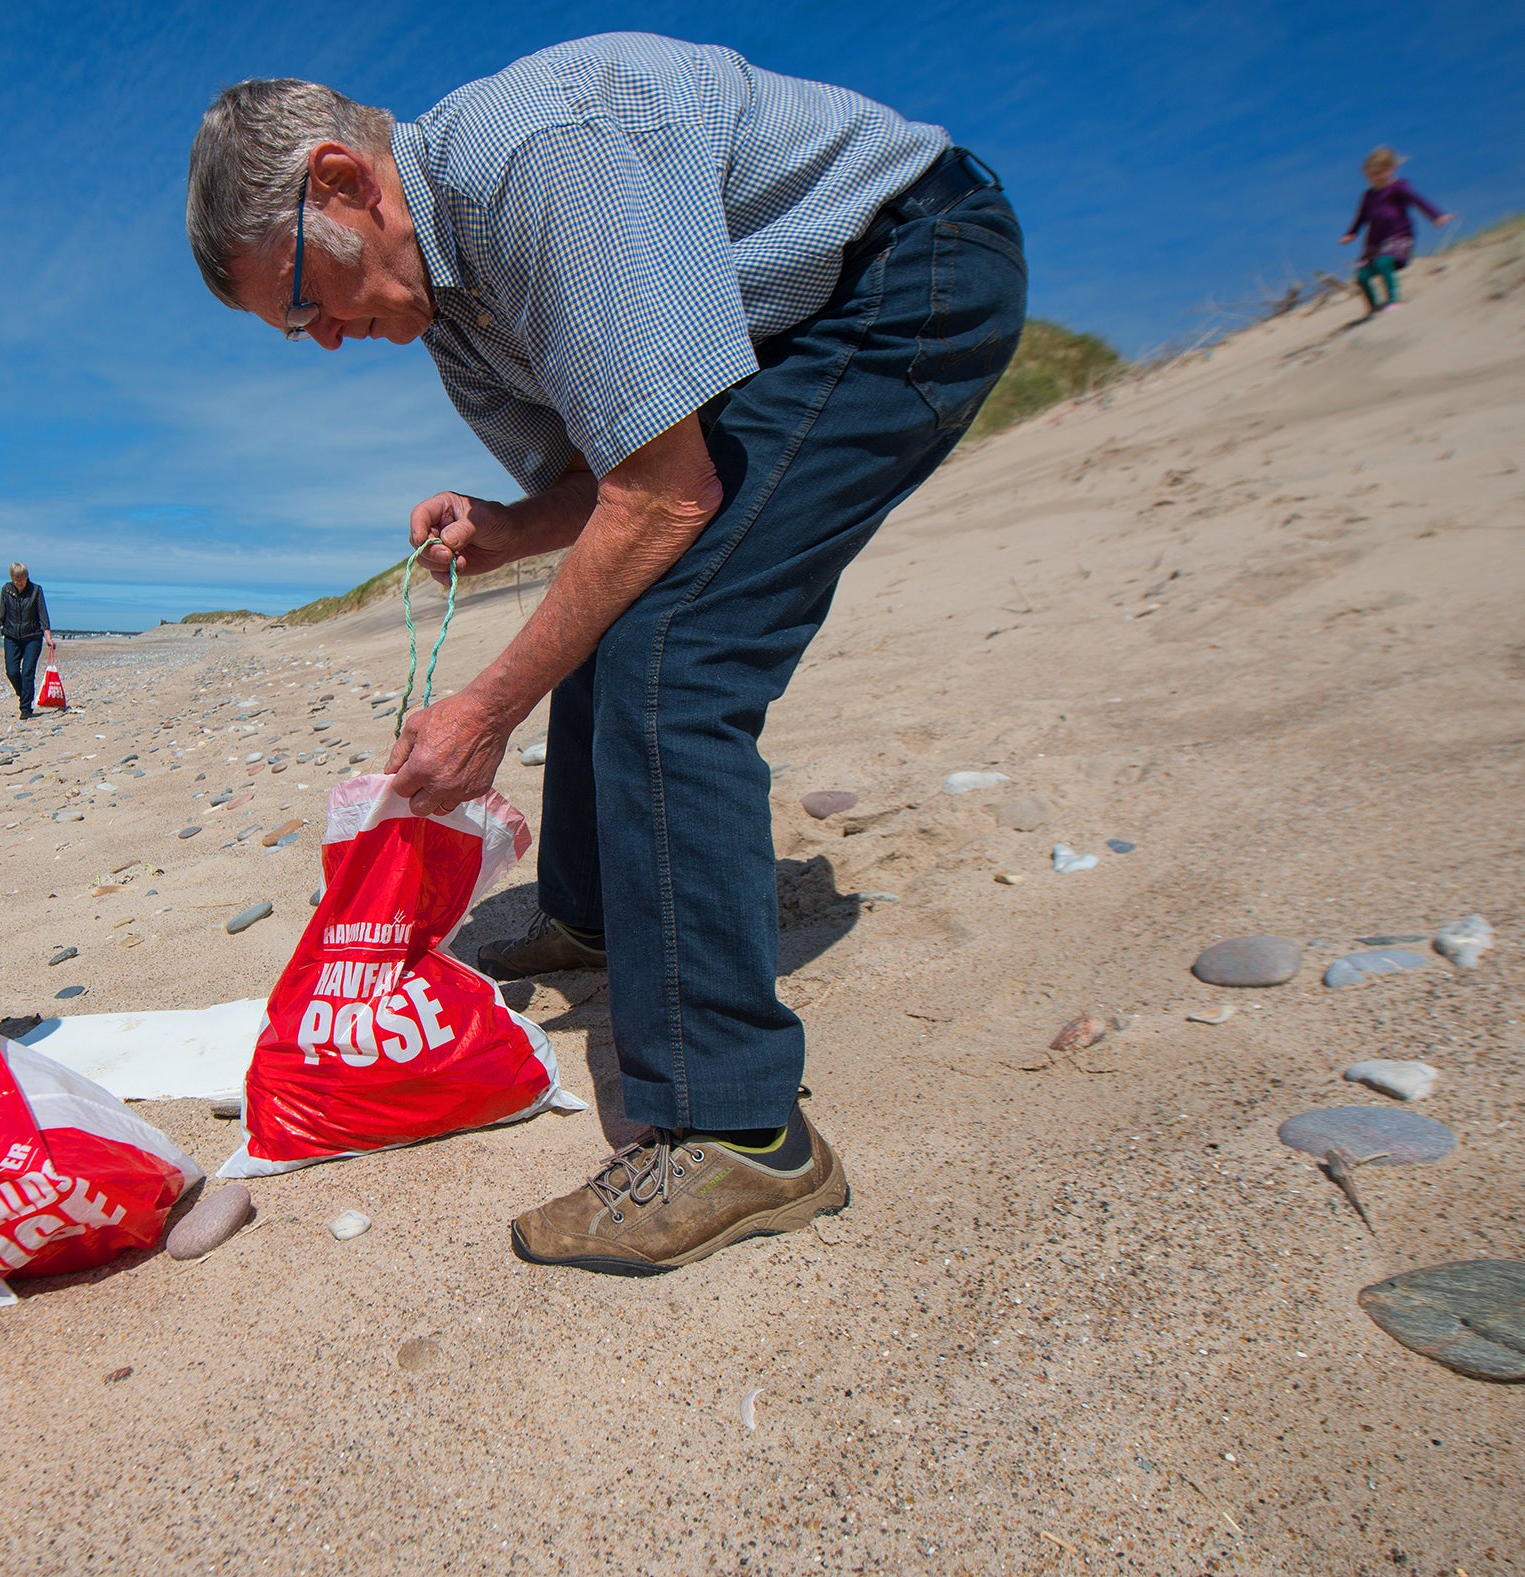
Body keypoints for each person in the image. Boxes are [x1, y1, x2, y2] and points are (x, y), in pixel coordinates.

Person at [188, 33, 1025, 1275]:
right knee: (607, 610)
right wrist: (510, 528)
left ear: (343, 181)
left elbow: (665, 494)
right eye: (288, 328)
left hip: (903, 268)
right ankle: (586, 914)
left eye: (304, 299)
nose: (316, 340)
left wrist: (482, 709)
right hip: (769, 349)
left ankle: (740, 1129)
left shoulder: (544, 159)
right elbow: (605, 494)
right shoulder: (451, 320)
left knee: (675, 653)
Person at [1342, 147, 1452, 314]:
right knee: (1362, 277)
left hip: (1399, 238)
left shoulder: (1398, 187)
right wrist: (1352, 233)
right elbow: (1361, 217)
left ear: (1391, 170)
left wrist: (1436, 216)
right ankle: (1374, 309)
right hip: (1374, 243)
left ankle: (1394, 299)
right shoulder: (1368, 196)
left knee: (1383, 262)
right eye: (1370, 175)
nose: (1375, 178)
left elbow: (1418, 201)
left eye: (1379, 173)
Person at [0, 562, 53, 719]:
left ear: (27, 577)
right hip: (12, 636)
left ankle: (25, 709)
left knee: (27, 673)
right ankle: (23, 693)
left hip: (32, 637)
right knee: (11, 671)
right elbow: (1, 613)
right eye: (16, 579)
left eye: (22, 579)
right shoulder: (7, 590)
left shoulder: (36, 591)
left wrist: (48, 637)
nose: (19, 582)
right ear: (12, 578)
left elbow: (43, 615)